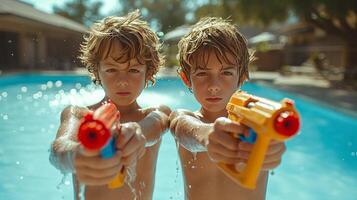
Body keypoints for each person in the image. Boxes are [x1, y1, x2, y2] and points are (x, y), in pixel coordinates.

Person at [49, 10, 171, 200]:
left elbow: (154, 126)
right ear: (97, 71)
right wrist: (76, 156)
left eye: (133, 70)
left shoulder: (155, 114)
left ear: (149, 72)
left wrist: (136, 133)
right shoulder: (78, 115)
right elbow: (58, 150)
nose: (122, 81)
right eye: (111, 69)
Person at [169, 17, 286, 200]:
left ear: (242, 76)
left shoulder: (255, 126)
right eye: (202, 73)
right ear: (186, 79)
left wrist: (271, 150)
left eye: (226, 73)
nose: (214, 85)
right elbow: (181, 128)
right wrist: (206, 135)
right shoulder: (186, 118)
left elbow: (273, 143)